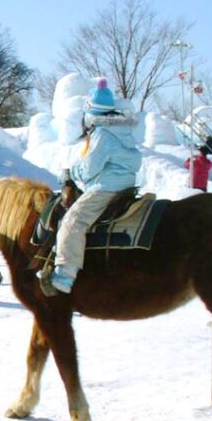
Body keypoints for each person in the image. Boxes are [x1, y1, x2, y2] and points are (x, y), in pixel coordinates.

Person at [51, 78, 142, 294]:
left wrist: (70, 172)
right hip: (125, 184)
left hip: (105, 187)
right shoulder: (123, 130)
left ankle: (64, 276)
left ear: (90, 113)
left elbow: (90, 168)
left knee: (73, 220)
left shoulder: (101, 134)